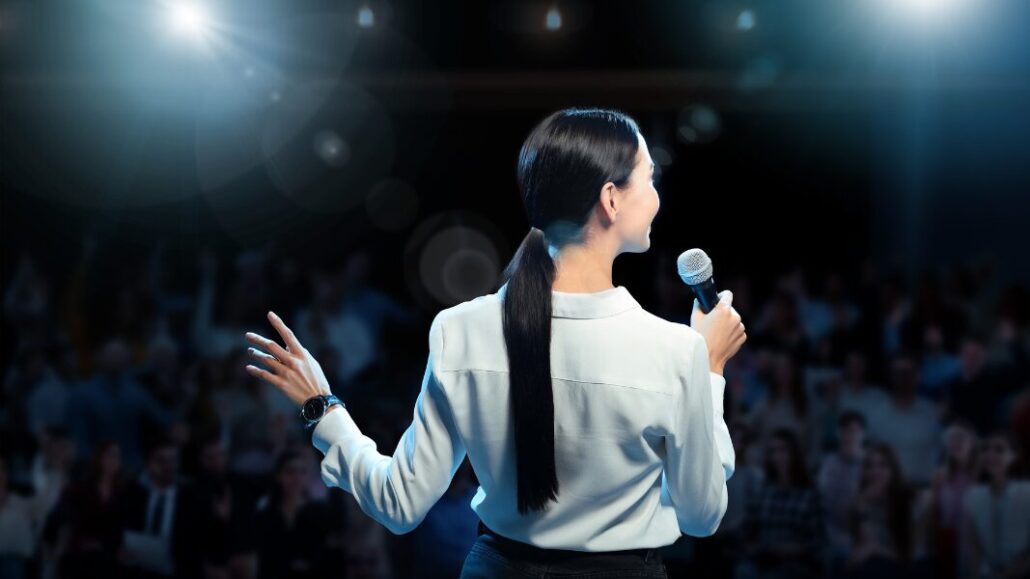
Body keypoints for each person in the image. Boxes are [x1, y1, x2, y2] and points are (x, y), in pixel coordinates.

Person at [243, 107, 746, 578]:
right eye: (650, 178)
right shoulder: (675, 351)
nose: (657, 196)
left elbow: (399, 503)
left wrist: (323, 407)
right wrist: (710, 373)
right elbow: (701, 516)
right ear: (611, 199)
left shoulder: (459, 330)